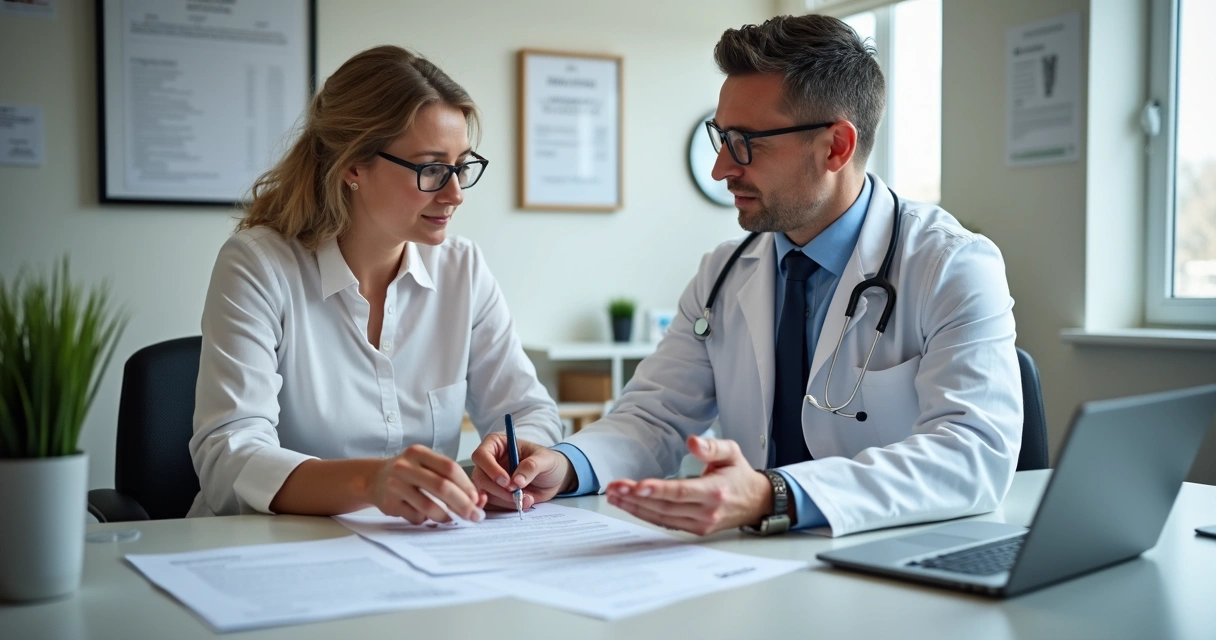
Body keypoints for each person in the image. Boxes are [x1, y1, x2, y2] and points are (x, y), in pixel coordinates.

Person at [472, 15, 1021, 537]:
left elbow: (970, 452)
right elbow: (655, 417)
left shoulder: (950, 265)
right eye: (721, 137)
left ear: (836, 146)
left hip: (895, 563)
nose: (720, 169)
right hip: (757, 562)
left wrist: (774, 495)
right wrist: (565, 465)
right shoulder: (724, 273)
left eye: (746, 145)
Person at [189, 45, 562, 520]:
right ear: (352, 165)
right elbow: (229, 454)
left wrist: (522, 459)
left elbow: (531, 411)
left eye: (461, 167)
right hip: (272, 553)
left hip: (420, 556)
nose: (454, 195)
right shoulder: (259, 264)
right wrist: (370, 483)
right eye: (430, 169)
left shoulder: (461, 268)